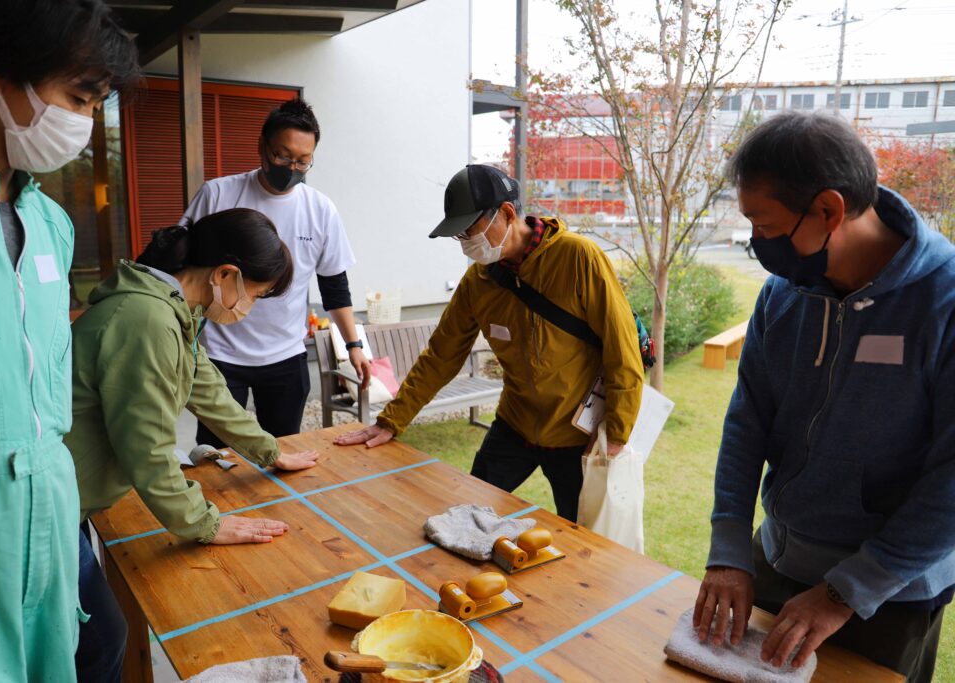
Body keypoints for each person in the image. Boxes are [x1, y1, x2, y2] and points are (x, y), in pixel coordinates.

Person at [694, 111, 954, 683]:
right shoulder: (784, 295)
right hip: (779, 555)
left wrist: (843, 594)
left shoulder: (944, 301)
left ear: (829, 210)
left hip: (890, 593)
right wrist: (730, 548)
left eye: (763, 224)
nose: (755, 242)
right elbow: (747, 423)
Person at [0, 1, 139, 680]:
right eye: (78, 97)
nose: (84, 123)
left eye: (96, 103)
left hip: (48, 517)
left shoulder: (48, 222)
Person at [66, 209, 322, 680]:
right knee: (101, 642)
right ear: (226, 274)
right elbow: (148, 446)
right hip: (51, 506)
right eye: (256, 296)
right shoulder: (147, 319)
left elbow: (210, 391)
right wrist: (204, 523)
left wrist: (270, 450)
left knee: (91, 638)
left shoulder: (175, 309)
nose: (248, 308)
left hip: (73, 500)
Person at [335, 165, 644, 521]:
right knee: (468, 518)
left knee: (583, 541)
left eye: (470, 230)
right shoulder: (478, 282)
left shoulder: (578, 258)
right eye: (460, 235)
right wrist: (390, 420)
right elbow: (441, 356)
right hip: (515, 425)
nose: (466, 241)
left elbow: (622, 350)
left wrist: (616, 435)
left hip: (576, 434)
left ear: (507, 214)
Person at [181, 97, 370, 441]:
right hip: (220, 356)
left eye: (303, 160)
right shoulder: (218, 194)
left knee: (281, 451)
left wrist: (353, 346)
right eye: (282, 156)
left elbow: (335, 288)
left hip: (286, 357)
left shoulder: (320, 210)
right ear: (262, 147)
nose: (291, 168)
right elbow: (181, 268)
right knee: (216, 455)